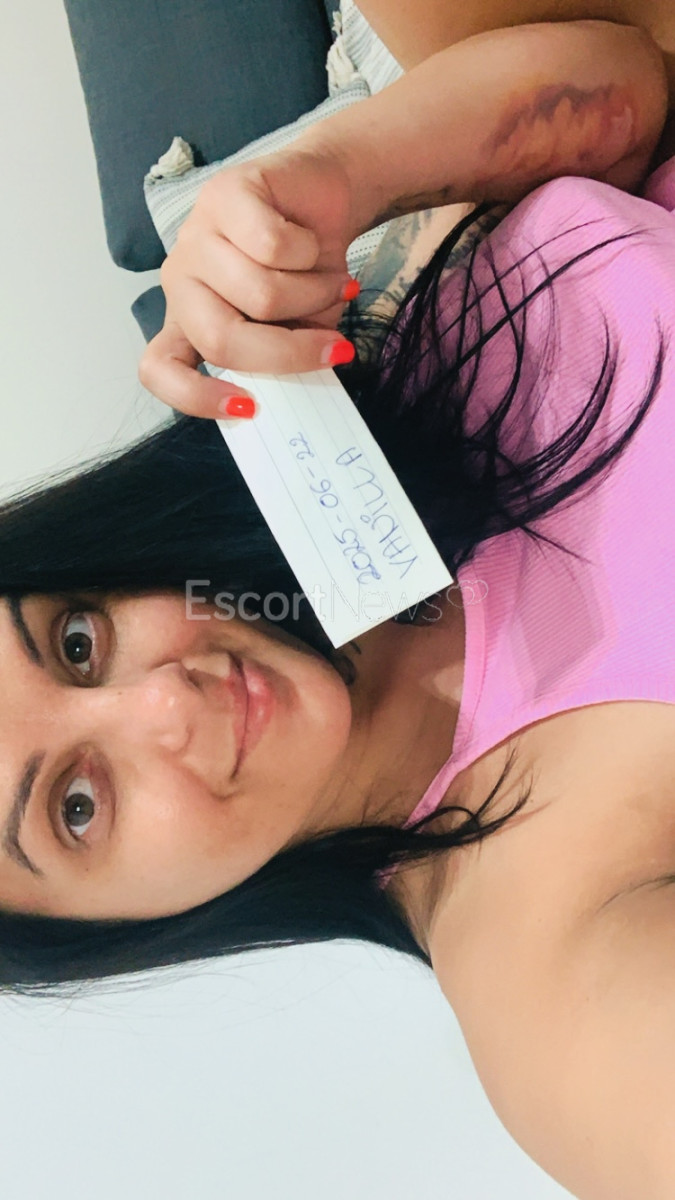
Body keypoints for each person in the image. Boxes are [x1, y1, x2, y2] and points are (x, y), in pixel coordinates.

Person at [1, 10, 674, 1194]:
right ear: (115, 928)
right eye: (80, 806)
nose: (168, 702)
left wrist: (343, 171)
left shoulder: (343, 406)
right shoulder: (547, 968)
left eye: (77, 641)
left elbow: (629, 92)